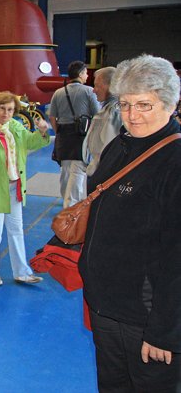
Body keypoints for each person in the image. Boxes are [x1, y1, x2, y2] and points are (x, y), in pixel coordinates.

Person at [78, 54, 181, 391]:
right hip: (107, 309)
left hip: (147, 319)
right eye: (125, 104)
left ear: (170, 104)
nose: (132, 115)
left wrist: (165, 331)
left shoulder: (174, 161)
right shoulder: (120, 147)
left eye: (144, 105)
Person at [0, 91, 50, 285]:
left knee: (16, 230)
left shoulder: (15, 127)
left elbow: (31, 142)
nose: (6, 113)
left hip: (15, 187)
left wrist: (42, 132)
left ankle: (22, 272)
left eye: (10, 110)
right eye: (2, 109)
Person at [48, 61, 100, 207]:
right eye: (85, 72)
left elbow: (52, 117)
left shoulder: (58, 92)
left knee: (65, 169)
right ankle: (71, 206)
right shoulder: (89, 91)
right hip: (81, 136)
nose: (87, 75)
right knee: (78, 170)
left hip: (63, 135)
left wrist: (58, 131)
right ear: (80, 74)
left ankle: (65, 198)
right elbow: (97, 114)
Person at [82, 66, 123, 176]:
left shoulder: (114, 112)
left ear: (110, 86)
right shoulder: (108, 110)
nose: (94, 90)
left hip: (104, 175)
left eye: (96, 86)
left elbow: (111, 150)